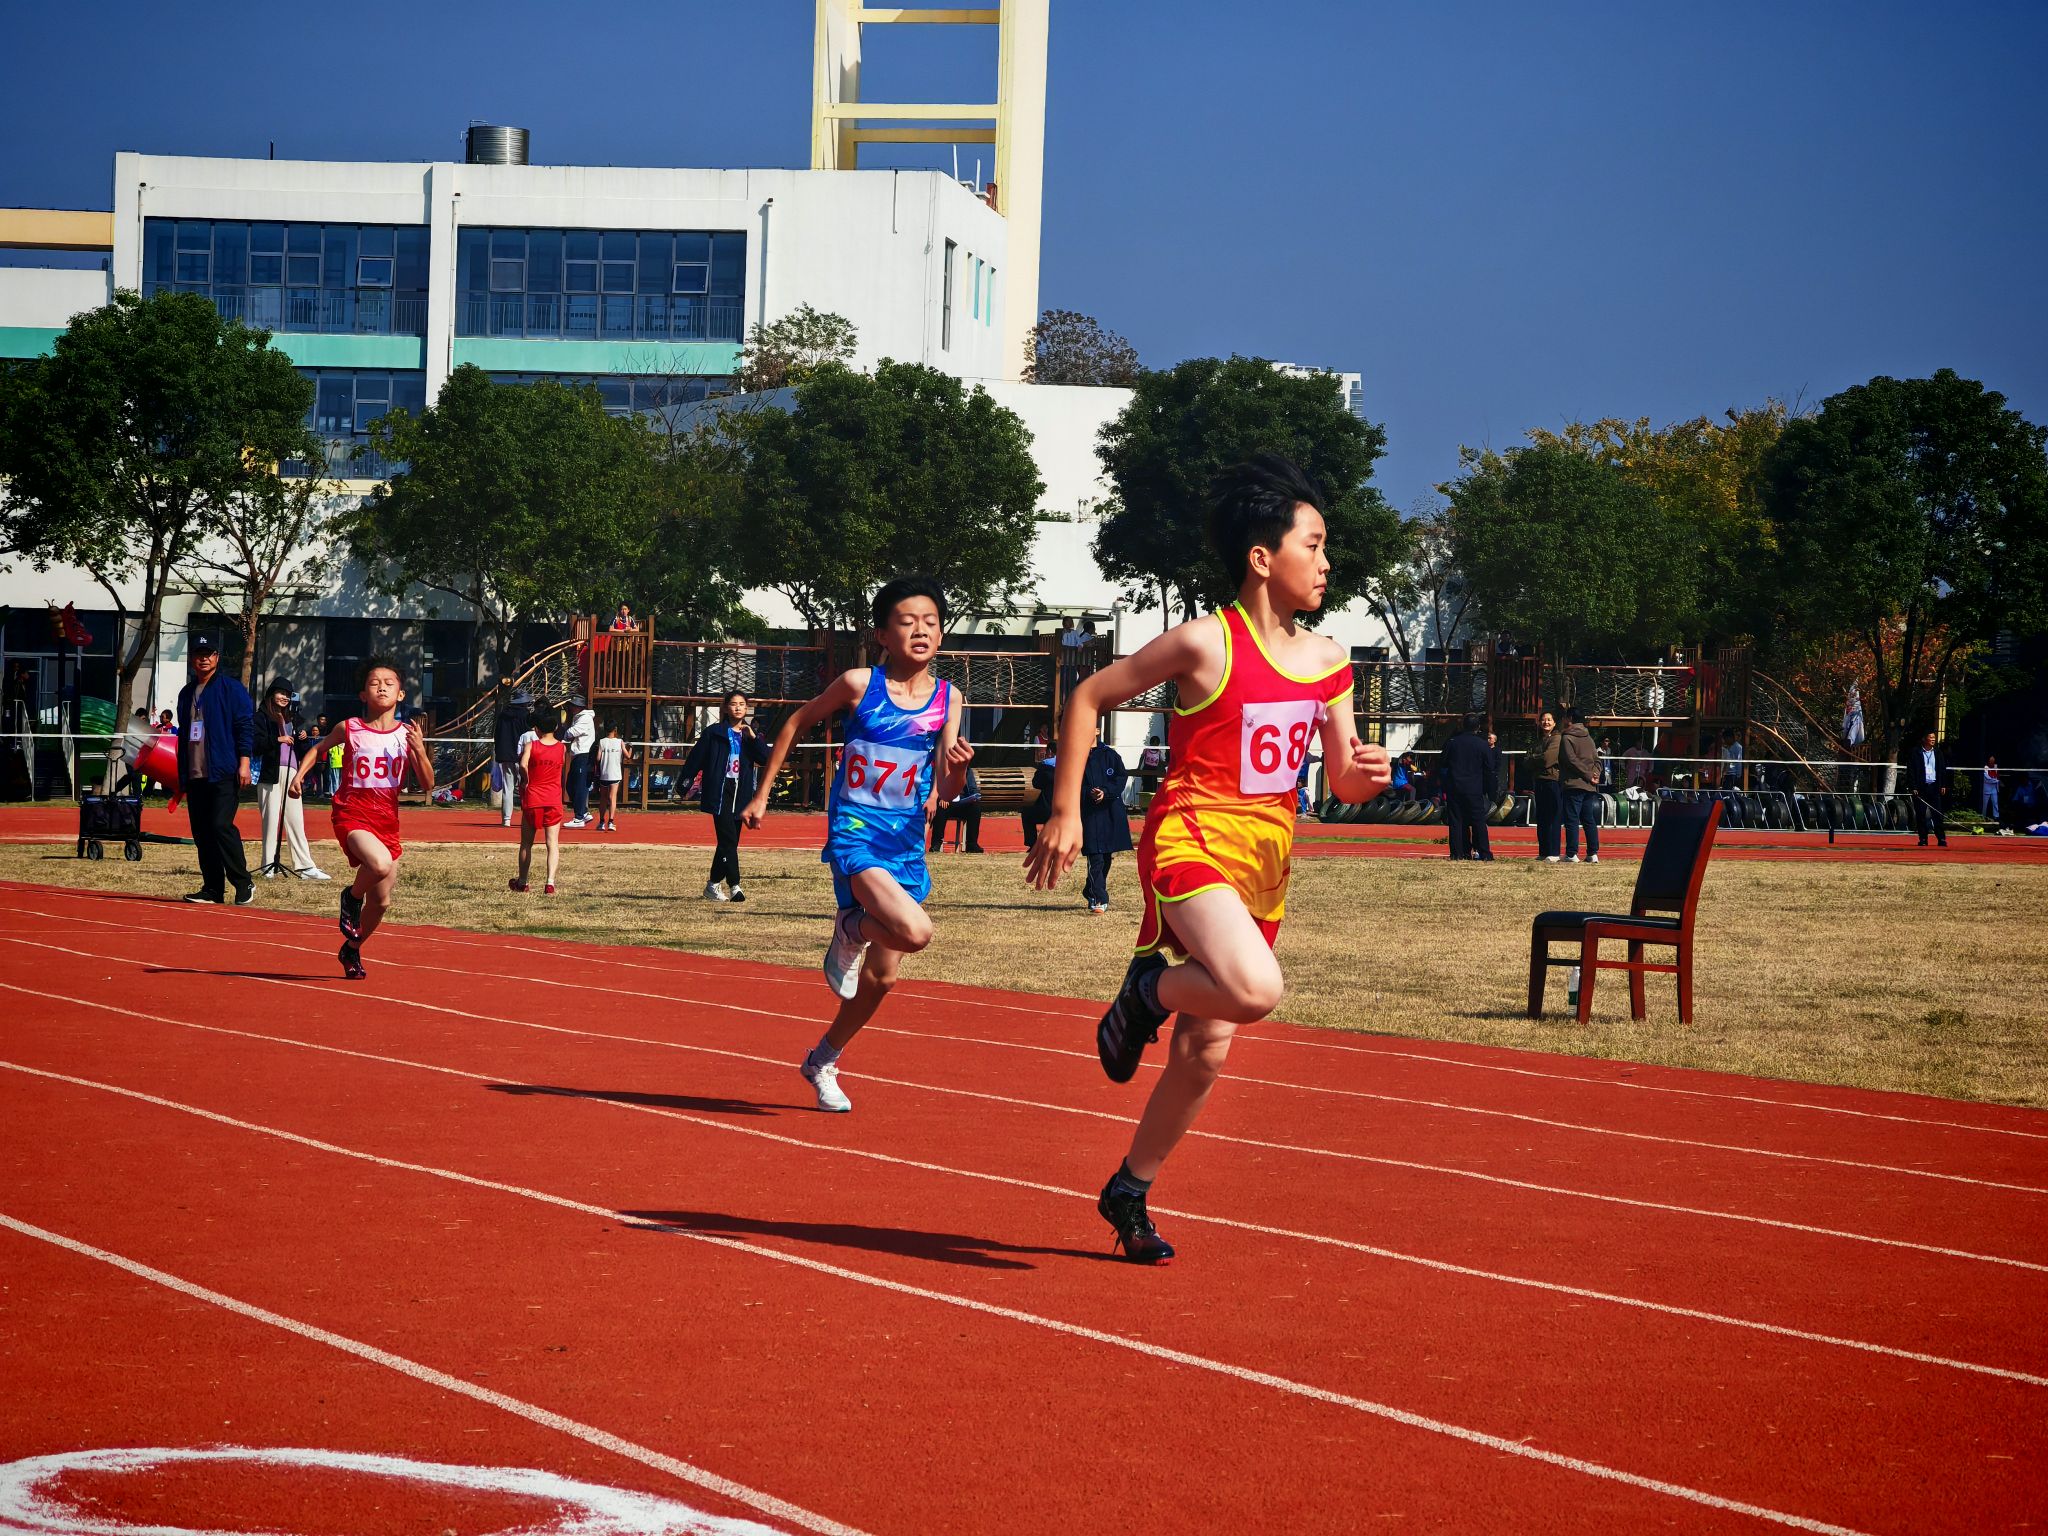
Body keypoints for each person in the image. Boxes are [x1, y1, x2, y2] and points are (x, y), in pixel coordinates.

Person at [1024, 454, 1391, 1264]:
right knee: (1255, 988)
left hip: (1268, 860)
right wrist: (1065, 812)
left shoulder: (1330, 660)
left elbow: (1336, 780)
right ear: (1263, 558)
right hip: (1192, 837)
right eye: (1315, 544)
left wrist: (1367, 778)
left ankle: (1129, 1190)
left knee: (1206, 1052)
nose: (1328, 563)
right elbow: (1089, 697)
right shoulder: (1202, 642)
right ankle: (1146, 987)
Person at [744, 576, 973, 1114]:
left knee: (882, 976)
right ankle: (849, 927)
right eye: (907, 621)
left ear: (941, 636)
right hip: (856, 832)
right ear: (881, 635)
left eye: (931, 622)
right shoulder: (858, 684)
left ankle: (823, 1059)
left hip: (906, 841)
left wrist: (959, 775)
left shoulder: (948, 698)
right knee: (916, 932)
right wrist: (762, 796)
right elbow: (797, 722)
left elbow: (945, 787)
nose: (920, 630)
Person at [290, 655, 434, 978]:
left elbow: (428, 784)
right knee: (379, 864)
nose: (381, 687)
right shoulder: (350, 728)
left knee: (381, 902)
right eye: (374, 683)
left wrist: (421, 751)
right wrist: (299, 776)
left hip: (387, 822)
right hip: (352, 814)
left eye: (389, 683)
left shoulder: (407, 735)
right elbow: (317, 749)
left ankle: (351, 950)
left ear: (401, 694)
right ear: (362, 695)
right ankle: (351, 897)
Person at [174, 635, 256, 906]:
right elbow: (184, 734)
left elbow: (244, 726)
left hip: (223, 771)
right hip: (196, 773)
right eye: (198, 654)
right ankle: (212, 889)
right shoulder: (187, 693)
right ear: (192, 659)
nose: (203, 658)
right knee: (202, 832)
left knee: (220, 825)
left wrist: (244, 763)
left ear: (217, 658)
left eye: (209, 653)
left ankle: (243, 882)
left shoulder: (230, 689)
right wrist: (182, 775)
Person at [682, 692, 772, 900]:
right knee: (728, 840)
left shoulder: (750, 734)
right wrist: (685, 782)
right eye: (733, 704)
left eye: (742, 704)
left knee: (728, 842)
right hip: (720, 791)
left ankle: (712, 885)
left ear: (747, 708)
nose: (738, 708)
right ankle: (735, 886)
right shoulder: (714, 733)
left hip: (741, 793)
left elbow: (765, 758)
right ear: (725, 708)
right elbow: (696, 758)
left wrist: (753, 738)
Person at [253, 676, 328, 881]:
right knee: (270, 820)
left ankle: (305, 866)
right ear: (271, 694)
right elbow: (256, 745)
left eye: (288, 694)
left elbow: (300, 750)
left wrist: (303, 740)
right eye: (281, 693)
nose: (284, 697)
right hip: (270, 772)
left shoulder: (292, 719)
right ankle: (268, 865)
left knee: (296, 819)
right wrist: (277, 739)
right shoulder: (261, 717)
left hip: (292, 772)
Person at [509, 704, 568, 894]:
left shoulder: (531, 745)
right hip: (553, 798)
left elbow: (523, 764)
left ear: (537, 729)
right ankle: (550, 882)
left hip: (534, 796)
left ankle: (523, 881)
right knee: (553, 843)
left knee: (527, 843)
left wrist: (526, 780)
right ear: (556, 728)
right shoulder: (561, 748)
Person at [1080, 731, 1132, 912]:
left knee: (1106, 856)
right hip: (1090, 813)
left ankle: (1090, 888)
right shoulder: (1077, 755)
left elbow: (1121, 777)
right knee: (1095, 855)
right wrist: (1088, 793)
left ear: (1096, 730)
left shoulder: (1110, 755)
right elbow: (1071, 783)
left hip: (1110, 811)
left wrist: (1105, 791)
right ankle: (1098, 898)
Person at [1439, 711, 1496, 861]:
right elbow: (1490, 768)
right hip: (1474, 788)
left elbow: (1443, 763)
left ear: (1463, 726)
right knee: (1478, 821)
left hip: (1455, 786)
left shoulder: (1452, 742)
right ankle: (1484, 852)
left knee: (1457, 821)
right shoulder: (1482, 745)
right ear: (1477, 727)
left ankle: (1458, 853)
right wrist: (1491, 791)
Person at [1560, 706, 1602, 863]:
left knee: (1572, 819)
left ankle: (1571, 853)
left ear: (1569, 719)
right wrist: (1595, 775)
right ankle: (1593, 853)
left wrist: (1587, 774)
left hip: (1574, 784)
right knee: (1588, 819)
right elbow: (1597, 760)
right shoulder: (1589, 738)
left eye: (1565, 717)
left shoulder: (1567, 738)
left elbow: (1571, 760)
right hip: (1590, 786)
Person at [1903, 730, 1949, 848]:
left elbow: (1942, 770)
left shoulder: (1938, 753)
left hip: (1934, 786)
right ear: (1924, 739)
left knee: (1937, 814)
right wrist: (1913, 787)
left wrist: (1943, 784)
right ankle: (1923, 838)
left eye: (1934, 737)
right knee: (1921, 814)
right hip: (1921, 788)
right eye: (1930, 737)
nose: (1933, 739)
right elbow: (1911, 770)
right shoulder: (1915, 752)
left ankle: (1941, 838)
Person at [493, 688, 531, 828]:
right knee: (526, 786)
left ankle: (506, 820)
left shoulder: (502, 715)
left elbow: (497, 735)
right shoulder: (525, 715)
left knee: (508, 788)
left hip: (505, 755)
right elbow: (528, 736)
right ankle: (527, 816)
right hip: (521, 755)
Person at [930, 764, 987, 854]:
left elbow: (973, 789)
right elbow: (934, 788)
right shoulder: (941, 769)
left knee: (975, 808)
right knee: (940, 806)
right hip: (947, 803)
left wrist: (974, 796)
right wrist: (942, 796)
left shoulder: (967, 771)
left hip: (962, 803)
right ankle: (936, 844)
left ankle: (971, 845)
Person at [1534, 709, 1563, 861]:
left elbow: (1547, 759)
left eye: (1549, 720)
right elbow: (1527, 759)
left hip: (1552, 781)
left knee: (1552, 817)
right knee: (1542, 817)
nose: (1546, 722)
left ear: (1554, 723)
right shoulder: (1539, 740)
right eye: (1543, 719)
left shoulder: (1557, 739)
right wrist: (1534, 760)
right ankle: (1543, 851)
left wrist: (1534, 759)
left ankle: (1553, 852)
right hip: (1539, 781)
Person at [563, 697, 597, 826]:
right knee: (570, 785)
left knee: (579, 786)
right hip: (577, 754)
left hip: (583, 753)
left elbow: (573, 732)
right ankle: (584, 812)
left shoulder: (585, 718)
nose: (571, 708)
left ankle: (579, 817)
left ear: (579, 706)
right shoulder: (577, 717)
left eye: (573, 705)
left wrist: (565, 734)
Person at [594, 723, 629, 831]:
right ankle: (611, 822)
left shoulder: (602, 741)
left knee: (603, 798)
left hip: (604, 773)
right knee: (612, 797)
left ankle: (601, 822)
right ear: (615, 729)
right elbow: (628, 755)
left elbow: (598, 758)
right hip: (615, 774)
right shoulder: (620, 741)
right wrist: (630, 748)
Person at [1982, 755, 2001, 823]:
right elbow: (1987, 778)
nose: (1992, 763)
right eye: (1990, 761)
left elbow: (1997, 776)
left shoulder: (1996, 767)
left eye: (1993, 761)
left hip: (1994, 788)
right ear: (1988, 762)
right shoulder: (1986, 767)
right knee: (1985, 804)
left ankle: (1996, 817)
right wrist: (1996, 780)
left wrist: (1997, 781)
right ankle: (1983, 816)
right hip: (1987, 788)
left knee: (1995, 803)